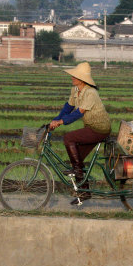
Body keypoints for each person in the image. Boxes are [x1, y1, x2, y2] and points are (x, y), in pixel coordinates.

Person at [49, 62, 111, 205]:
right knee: (77, 159)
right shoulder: (75, 90)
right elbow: (68, 108)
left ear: (82, 79)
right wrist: (55, 120)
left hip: (100, 129)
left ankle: (78, 175)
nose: (72, 77)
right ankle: (84, 193)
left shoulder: (90, 92)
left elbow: (78, 113)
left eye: (75, 76)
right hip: (90, 127)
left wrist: (61, 122)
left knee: (69, 138)